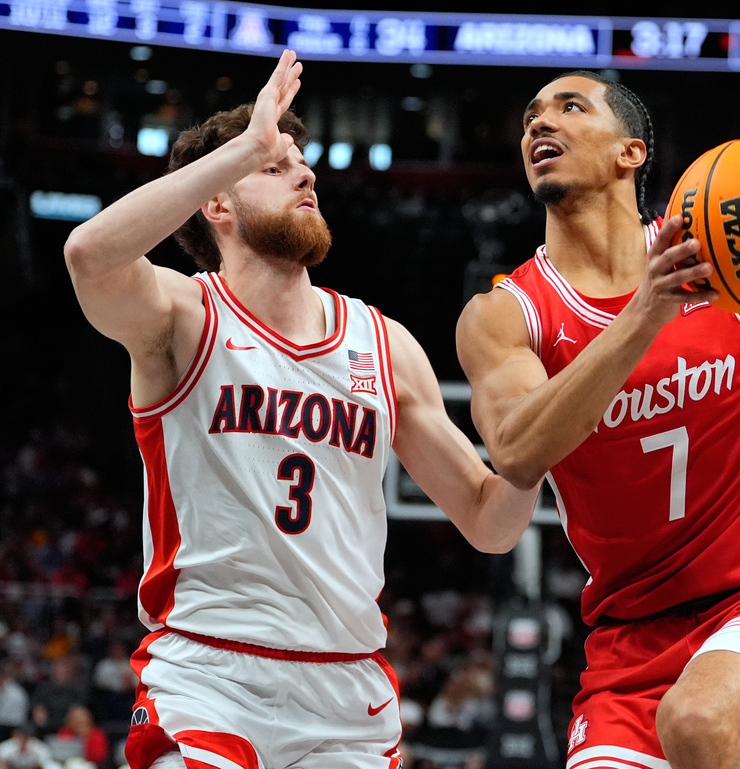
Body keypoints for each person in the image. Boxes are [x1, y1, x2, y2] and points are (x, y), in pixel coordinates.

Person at [63, 49, 540, 769]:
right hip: (208, 673)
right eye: (275, 165)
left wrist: (533, 452)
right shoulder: (181, 316)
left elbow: (487, 521)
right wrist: (245, 145)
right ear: (217, 201)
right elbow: (88, 255)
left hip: (345, 690)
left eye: (298, 161)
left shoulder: (384, 343)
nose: (305, 172)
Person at [455, 71, 740, 769]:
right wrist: (647, 312)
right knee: (683, 719)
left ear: (629, 152)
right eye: (530, 118)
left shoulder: (726, 257)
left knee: (697, 720)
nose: (539, 124)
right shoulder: (507, 314)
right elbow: (514, 451)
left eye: (569, 107)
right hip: (627, 643)